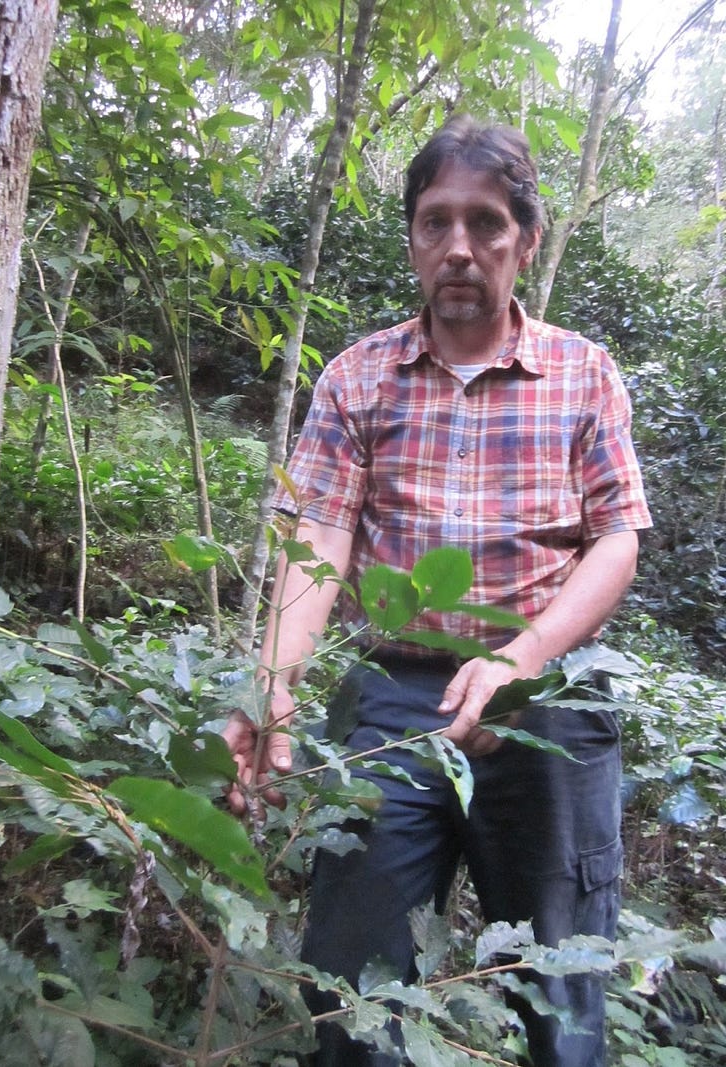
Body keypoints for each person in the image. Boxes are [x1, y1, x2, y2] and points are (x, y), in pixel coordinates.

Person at [224, 114, 652, 1066]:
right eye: (435, 221)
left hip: (548, 702)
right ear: (413, 235)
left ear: (526, 239)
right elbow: (321, 531)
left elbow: (615, 539)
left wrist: (520, 656)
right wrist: (275, 685)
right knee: (350, 981)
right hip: (392, 697)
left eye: (487, 223)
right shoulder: (358, 375)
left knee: (562, 986)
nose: (459, 246)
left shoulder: (583, 372)